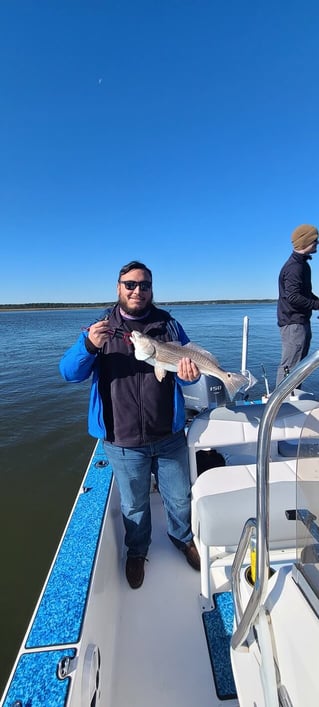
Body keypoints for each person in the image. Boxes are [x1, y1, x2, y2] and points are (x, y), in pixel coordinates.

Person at [59, 260, 201, 589]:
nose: (138, 290)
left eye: (145, 285)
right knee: (134, 504)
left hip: (168, 435)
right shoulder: (100, 328)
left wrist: (189, 375)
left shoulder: (170, 325)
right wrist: (88, 346)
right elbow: (68, 372)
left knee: (180, 498)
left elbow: (186, 372)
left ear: (152, 289)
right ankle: (137, 551)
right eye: (130, 284)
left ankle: (183, 539)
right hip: (122, 441)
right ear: (118, 287)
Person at [276, 223, 319, 386]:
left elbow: (304, 294)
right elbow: (293, 297)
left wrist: (317, 302)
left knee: (298, 367)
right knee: (291, 366)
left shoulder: (302, 265)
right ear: (306, 241)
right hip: (293, 323)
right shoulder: (295, 267)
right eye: (316, 240)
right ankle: (283, 404)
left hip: (299, 322)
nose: (317, 244)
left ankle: (292, 398)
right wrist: (316, 305)